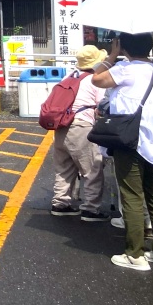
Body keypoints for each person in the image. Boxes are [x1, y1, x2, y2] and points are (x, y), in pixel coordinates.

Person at [90, 32, 153, 271]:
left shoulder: (125, 70)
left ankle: (135, 254)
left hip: (130, 141)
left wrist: (113, 54)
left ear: (125, 46)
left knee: (131, 195)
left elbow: (96, 78)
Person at [50, 45, 109, 221]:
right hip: (81, 126)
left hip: (61, 126)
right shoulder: (94, 80)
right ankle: (90, 209)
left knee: (64, 167)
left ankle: (60, 203)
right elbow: (102, 106)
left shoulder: (70, 77)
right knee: (91, 168)